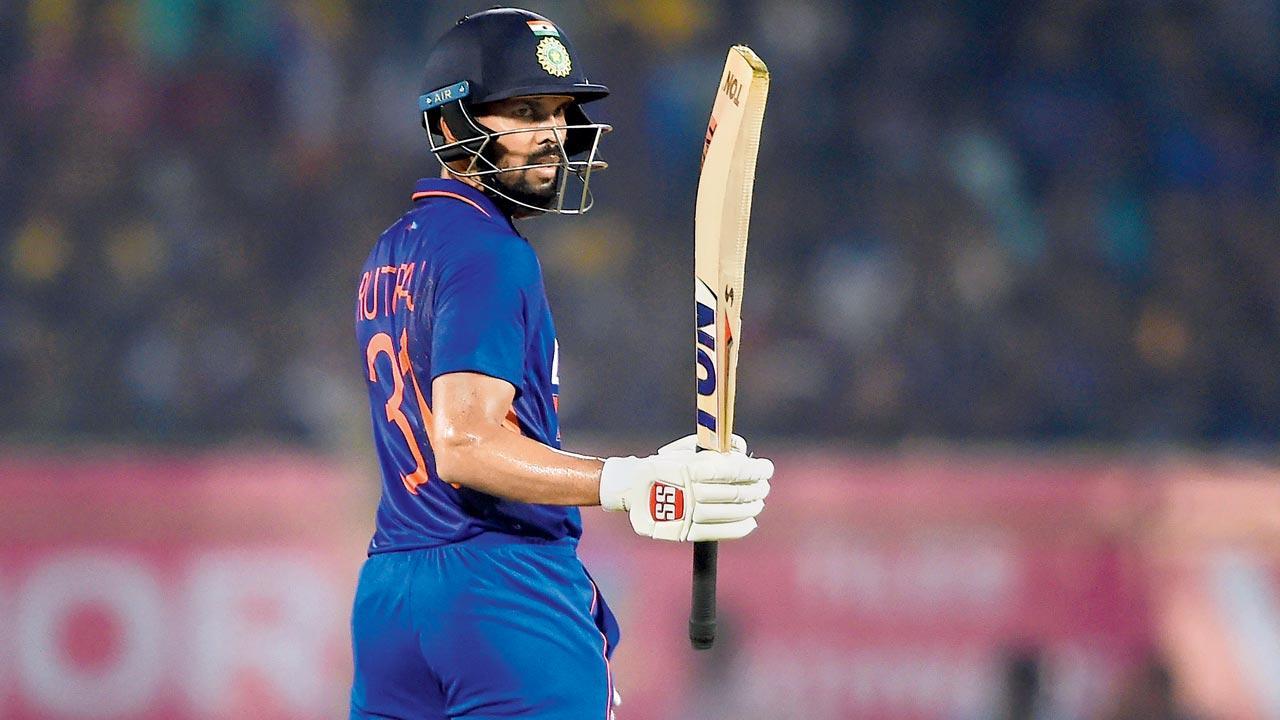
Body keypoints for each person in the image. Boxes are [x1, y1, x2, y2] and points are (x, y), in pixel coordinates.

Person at [347, 8, 774, 719]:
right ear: (449, 126)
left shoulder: (391, 250)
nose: (553, 134)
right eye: (524, 112)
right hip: (502, 593)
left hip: (391, 599)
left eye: (558, 112)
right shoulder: (491, 253)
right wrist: (632, 482)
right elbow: (465, 444)